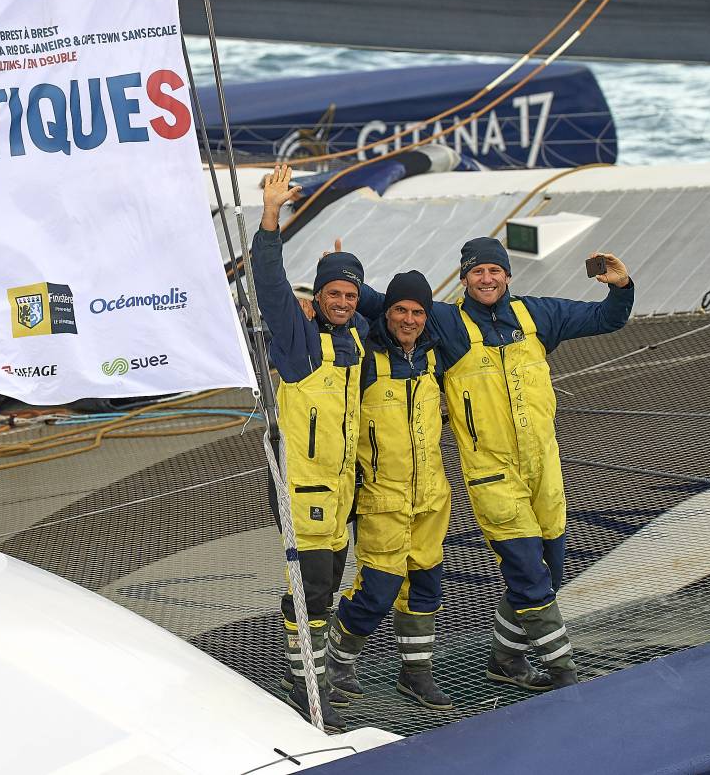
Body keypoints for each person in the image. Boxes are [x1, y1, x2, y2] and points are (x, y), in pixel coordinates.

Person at [358, 237, 633, 690]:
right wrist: (337, 281)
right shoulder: (445, 321)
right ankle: (564, 672)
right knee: (528, 573)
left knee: (550, 573)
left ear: (507, 275)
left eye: (494, 270)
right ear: (464, 278)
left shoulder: (538, 315)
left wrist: (621, 285)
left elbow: (609, 317)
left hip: (545, 469)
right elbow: (385, 304)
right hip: (492, 474)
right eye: (476, 272)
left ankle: (505, 660)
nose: (486, 279)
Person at [250, 164, 368, 732]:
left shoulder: (355, 342)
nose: (343, 302)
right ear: (315, 299)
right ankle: (302, 681)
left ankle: (311, 671)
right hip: (302, 490)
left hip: (341, 492)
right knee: (311, 593)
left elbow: (379, 308)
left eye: (350, 294)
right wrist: (271, 217)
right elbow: (270, 287)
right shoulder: (298, 342)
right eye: (332, 294)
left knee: (327, 588)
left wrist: (339, 266)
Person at [325, 270, 456, 711]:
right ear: (387, 311)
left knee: (426, 586)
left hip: (432, 498)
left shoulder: (436, 356)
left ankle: (415, 673)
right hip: (382, 498)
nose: (409, 319)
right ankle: (338, 658)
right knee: (378, 589)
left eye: (418, 311)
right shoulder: (366, 358)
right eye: (400, 309)